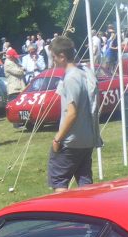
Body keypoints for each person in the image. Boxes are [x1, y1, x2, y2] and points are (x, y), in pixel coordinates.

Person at [47, 35, 101, 191]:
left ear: (62, 56)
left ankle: (60, 214)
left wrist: (57, 139)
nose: (53, 61)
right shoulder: (86, 73)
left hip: (71, 140)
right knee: (85, 181)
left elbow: (72, 113)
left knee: (59, 182)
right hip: (87, 138)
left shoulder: (71, 78)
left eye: (54, 57)